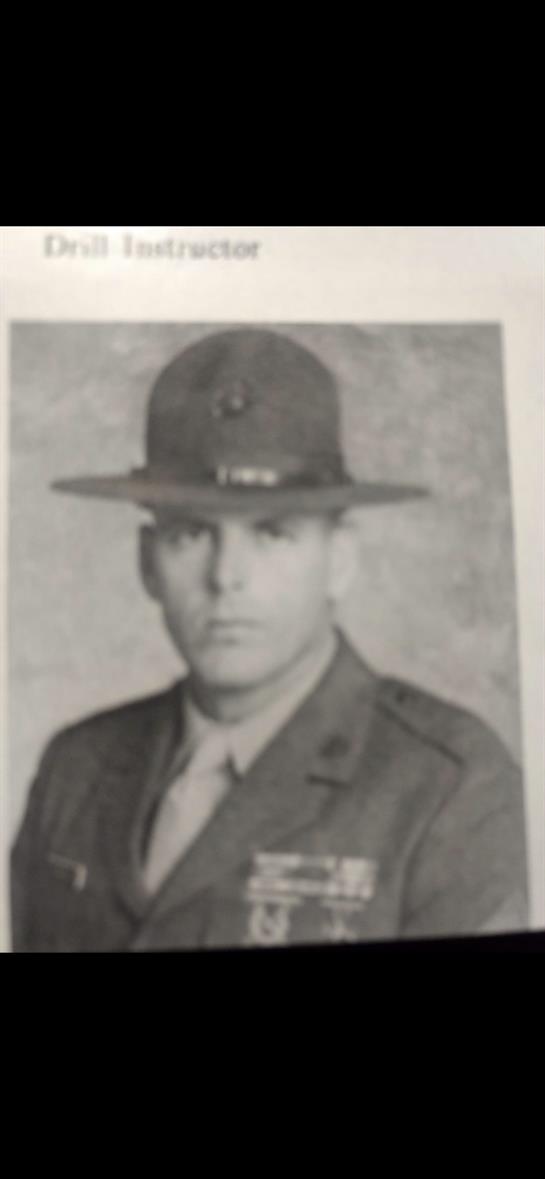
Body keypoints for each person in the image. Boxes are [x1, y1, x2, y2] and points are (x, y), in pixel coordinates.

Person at [10, 328, 528, 951]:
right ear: (148, 562)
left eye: (273, 534)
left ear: (340, 559)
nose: (226, 577)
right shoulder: (78, 768)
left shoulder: (448, 788)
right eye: (190, 534)